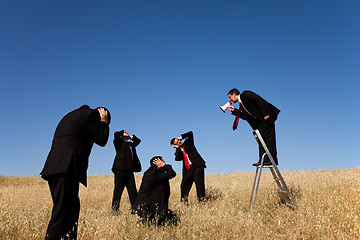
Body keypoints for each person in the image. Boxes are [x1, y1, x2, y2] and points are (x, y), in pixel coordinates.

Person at [40, 105, 110, 240]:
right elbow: (102, 139)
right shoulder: (92, 115)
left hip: (58, 168)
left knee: (70, 212)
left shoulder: (75, 115)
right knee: (62, 215)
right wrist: (104, 122)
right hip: (66, 168)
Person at [227, 88, 280, 166]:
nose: (230, 99)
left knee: (269, 139)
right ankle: (262, 160)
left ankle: (272, 160)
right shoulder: (242, 105)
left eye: (230, 97)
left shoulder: (245, 94)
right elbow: (245, 117)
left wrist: (266, 113)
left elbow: (258, 100)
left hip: (266, 118)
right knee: (261, 141)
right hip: (259, 123)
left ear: (234, 94)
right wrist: (234, 111)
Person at [132, 156, 178, 226]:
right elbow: (172, 173)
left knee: (171, 216)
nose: (163, 163)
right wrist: (165, 166)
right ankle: (145, 223)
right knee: (165, 220)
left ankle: (147, 222)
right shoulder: (155, 174)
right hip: (149, 207)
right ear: (157, 163)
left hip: (147, 206)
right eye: (162, 161)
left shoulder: (150, 172)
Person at [170, 131, 206, 203]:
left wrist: (181, 137)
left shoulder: (188, 142)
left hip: (197, 166)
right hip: (188, 169)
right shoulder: (179, 150)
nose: (178, 142)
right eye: (176, 143)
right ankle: (184, 202)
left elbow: (190, 133)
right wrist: (177, 148)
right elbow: (177, 159)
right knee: (184, 185)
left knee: (199, 185)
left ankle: (201, 202)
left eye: (178, 141)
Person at [111, 130, 142, 213]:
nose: (126, 132)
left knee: (133, 191)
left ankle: (135, 209)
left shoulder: (131, 144)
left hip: (129, 170)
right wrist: (122, 133)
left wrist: (130, 137)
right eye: (124, 132)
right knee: (118, 190)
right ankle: (115, 210)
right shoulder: (118, 143)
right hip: (120, 170)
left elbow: (138, 141)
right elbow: (116, 134)